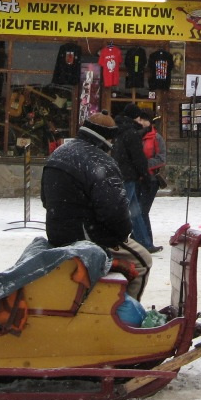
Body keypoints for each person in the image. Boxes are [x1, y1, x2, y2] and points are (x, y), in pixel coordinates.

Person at [39, 112, 152, 300]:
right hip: (86, 238)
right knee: (144, 261)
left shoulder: (58, 154)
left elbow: (45, 200)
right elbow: (115, 215)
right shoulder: (101, 162)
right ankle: (125, 315)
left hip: (57, 234)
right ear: (108, 139)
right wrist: (119, 236)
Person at [112, 104, 155, 252]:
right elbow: (138, 157)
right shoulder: (130, 132)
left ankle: (145, 243)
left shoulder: (119, 129)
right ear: (134, 117)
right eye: (138, 117)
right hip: (128, 175)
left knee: (135, 211)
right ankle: (113, 239)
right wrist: (145, 175)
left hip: (120, 172)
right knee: (122, 210)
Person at [138, 114, 167, 254]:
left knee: (142, 211)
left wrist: (143, 165)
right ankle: (140, 240)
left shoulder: (157, 138)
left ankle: (146, 241)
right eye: (140, 120)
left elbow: (161, 159)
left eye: (144, 119)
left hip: (151, 179)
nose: (141, 122)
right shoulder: (136, 137)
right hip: (138, 179)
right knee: (138, 211)